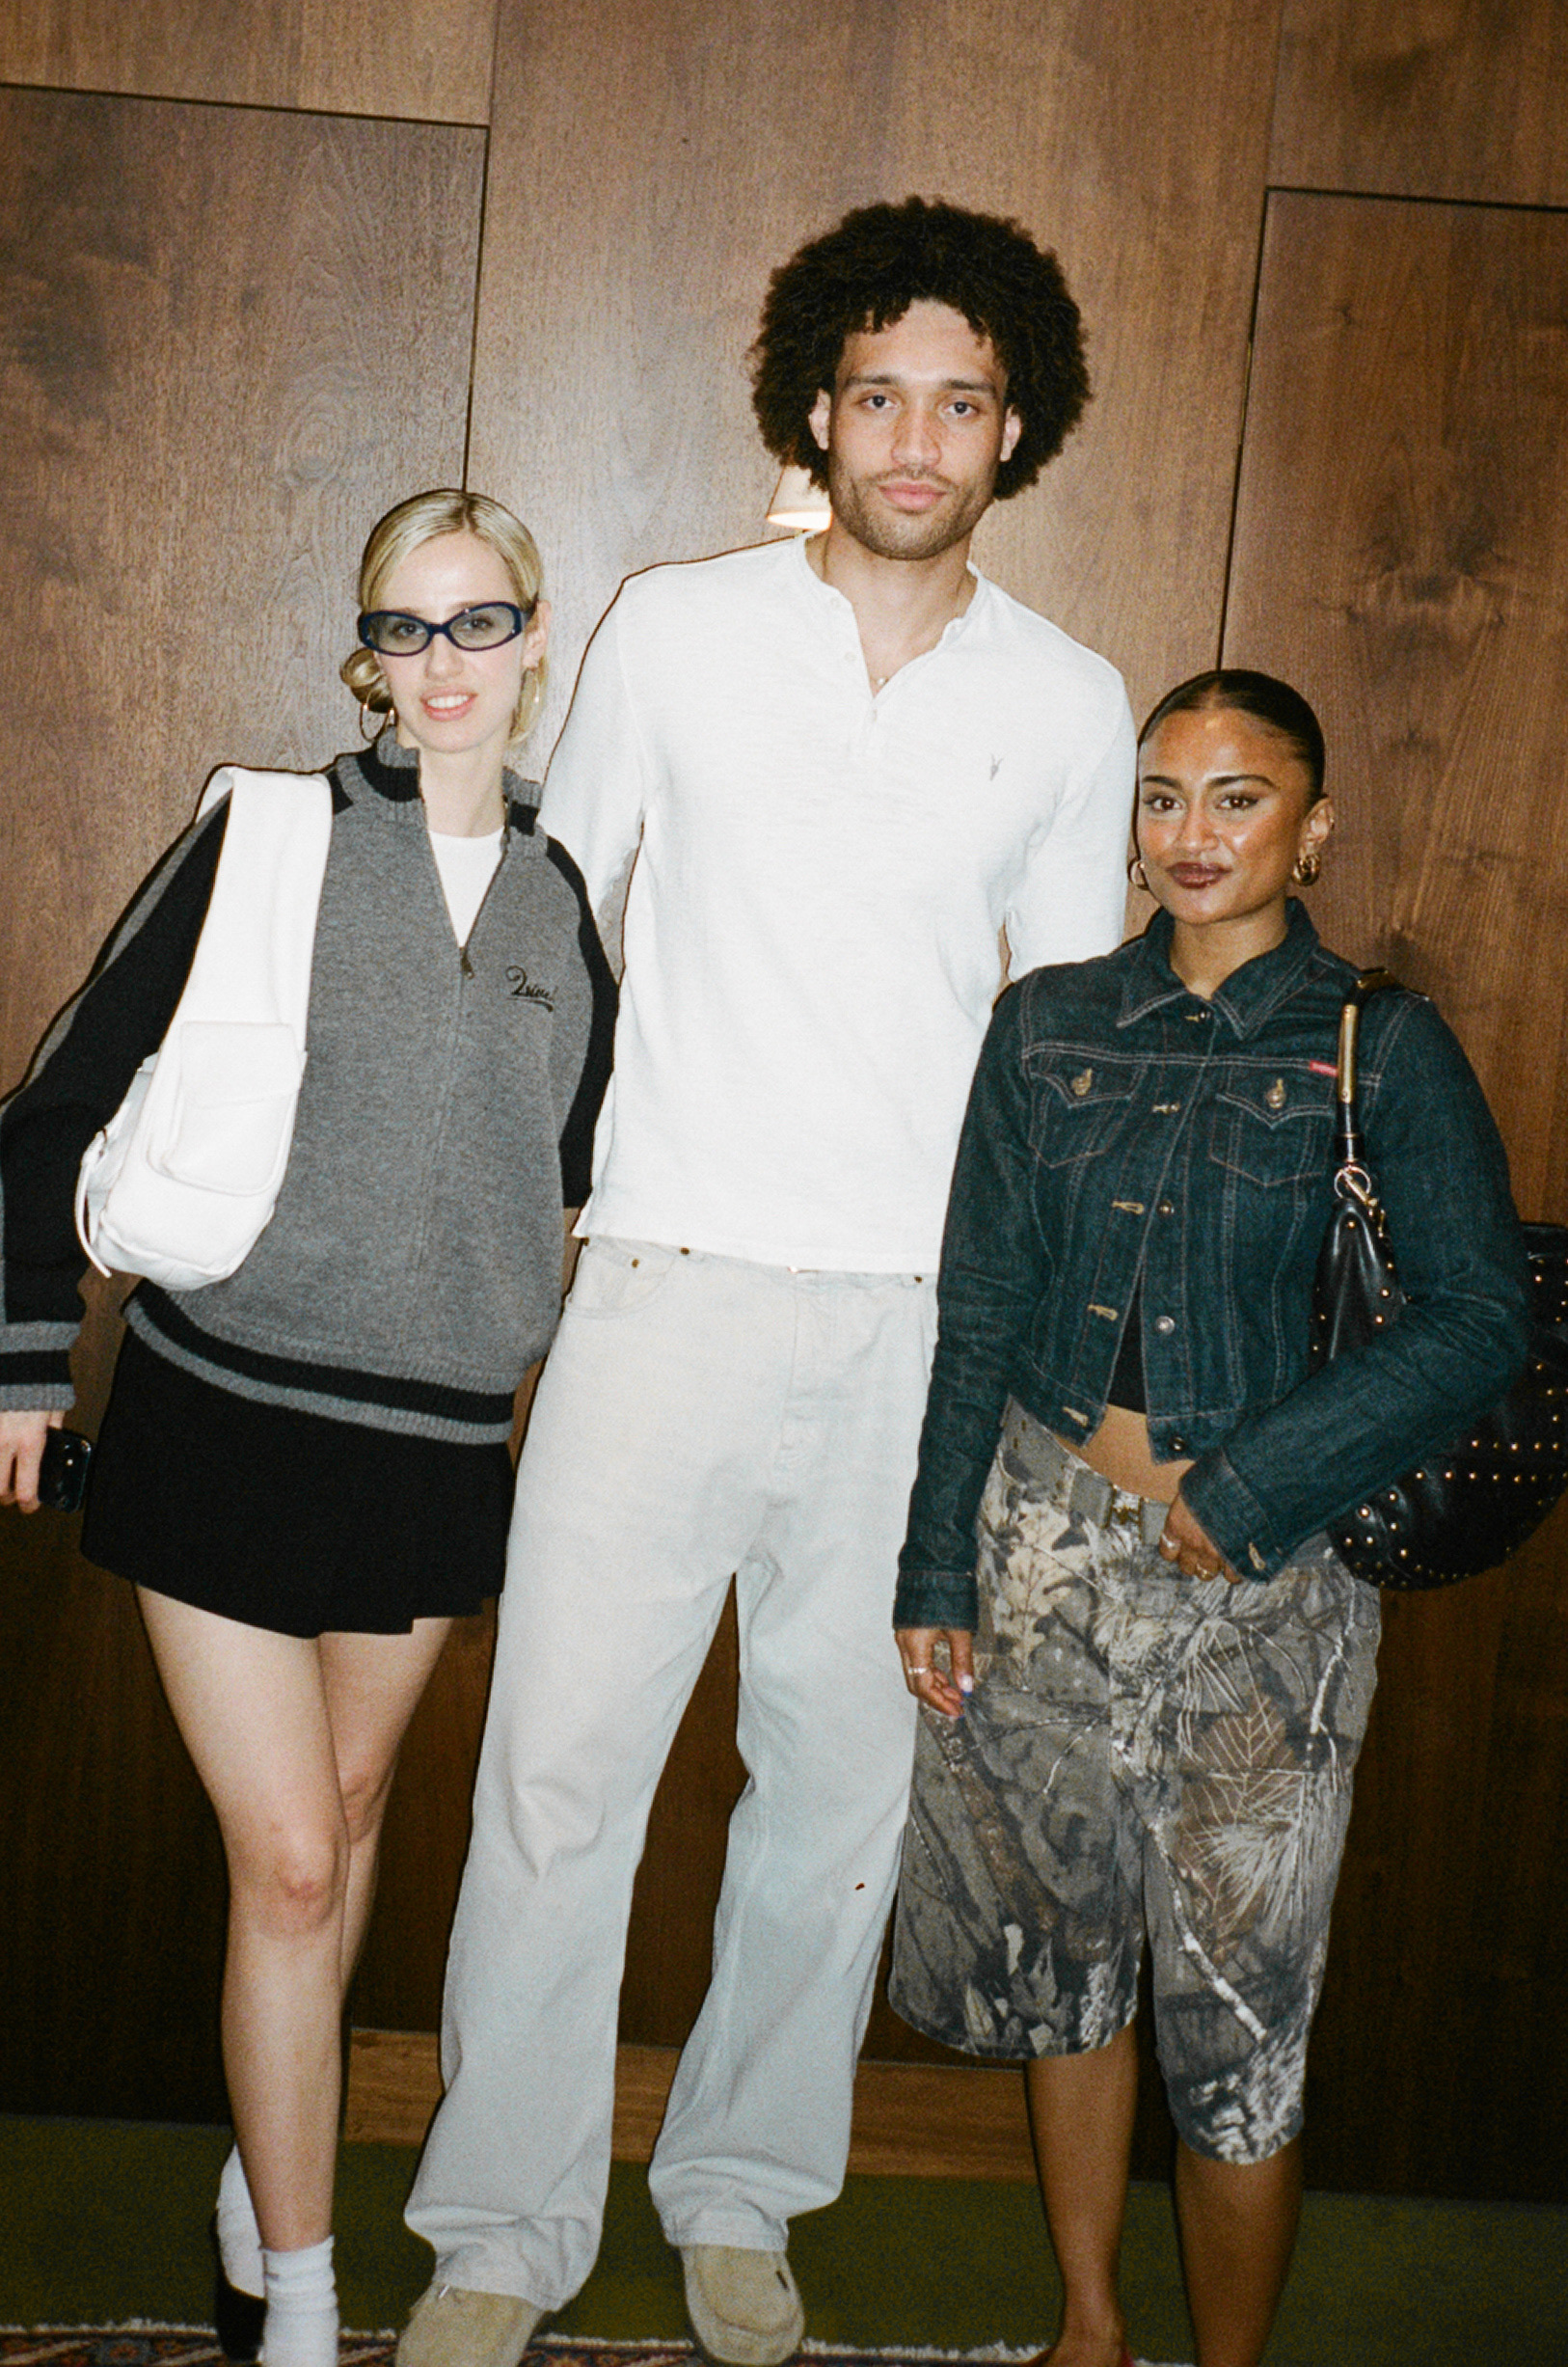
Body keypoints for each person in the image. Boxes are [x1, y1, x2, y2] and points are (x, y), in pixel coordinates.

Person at [398, 195, 1136, 2367]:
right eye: (879, 394)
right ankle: (497, 2231)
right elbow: (551, 929)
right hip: (664, 1283)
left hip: (916, 1324)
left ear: (1015, 432)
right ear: (817, 411)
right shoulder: (682, 626)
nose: (916, 437)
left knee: (834, 1792)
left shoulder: (1068, 702)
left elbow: (1061, 1052)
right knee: (556, 1773)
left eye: (961, 404)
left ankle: (740, 2192)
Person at [0, 489, 614, 2367]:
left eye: (479, 621)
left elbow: (575, 1170)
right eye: (406, 628)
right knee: (283, 1863)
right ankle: (304, 2289)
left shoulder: (565, 899)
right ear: (371, 654)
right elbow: (60, 1092)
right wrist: (24, 1353)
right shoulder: (272, 841)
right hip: (225, 1420)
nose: (444, 662)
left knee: (339, 1832)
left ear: (533, 638)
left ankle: (252, 2182)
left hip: (432, 1452)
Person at [888, 668, 1530, 2367]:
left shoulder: (1376, 1040)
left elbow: (1481, 1315)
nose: (1192, 832)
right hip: (1040, 1554)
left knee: (1237, 2016)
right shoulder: (1046, 1024)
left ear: (1310, 828)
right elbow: (978, 1310)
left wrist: (1253, 1488)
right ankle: (1089, 2325)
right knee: (1065, 1971)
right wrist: (935, 1560)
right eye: (1163, 795)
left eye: (1237, 797)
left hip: (1265, 1592)